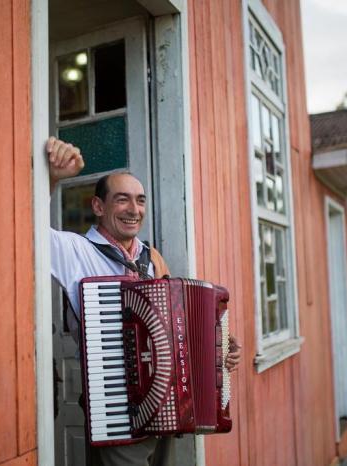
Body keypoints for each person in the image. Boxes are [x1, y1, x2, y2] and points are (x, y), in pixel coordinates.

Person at [46, 136, 241, 466]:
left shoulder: (151, 259)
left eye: (139, 201)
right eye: (122, 200)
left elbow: (177, 335)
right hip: (116, 410)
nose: (133, 210)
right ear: (98, 206)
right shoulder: (74, 250)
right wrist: (51, 179)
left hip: (166, 411)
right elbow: (27, 229)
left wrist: (218, 350)